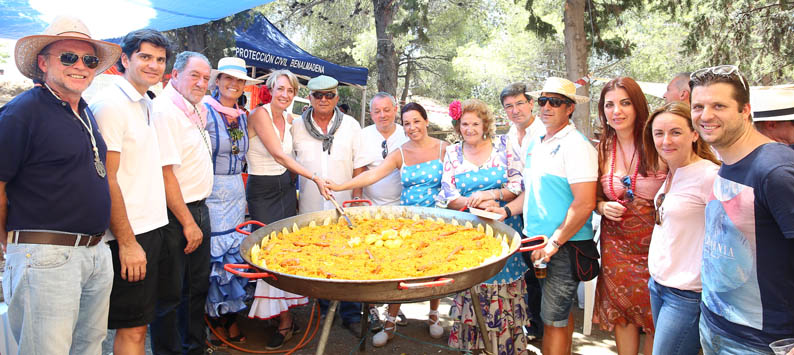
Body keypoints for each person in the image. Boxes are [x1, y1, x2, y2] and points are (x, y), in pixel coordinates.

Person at [0, 16, 121, 354]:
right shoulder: (22, 113)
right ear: (43, 62)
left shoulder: (83, 110)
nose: (80, 66)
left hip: (95, 252)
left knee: (89, 347)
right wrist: (10, 245)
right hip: (46, 255)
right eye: (68, 57)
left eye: (89, 60)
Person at [689, 65, 794, 354]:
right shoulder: (729, 160)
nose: (706, 115)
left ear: (745, 110)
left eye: (719, 105)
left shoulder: (776, 169)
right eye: (698, 106)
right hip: (715, 325)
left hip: (761, 341)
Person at [326, 102, 448, 347]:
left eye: (416, 121)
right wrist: (340, 186)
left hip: (437, 218)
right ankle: (390, 321)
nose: (412, 127)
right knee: (401, 267)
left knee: (437, 267)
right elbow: (372, 174)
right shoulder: (400, 152)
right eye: (407, 123)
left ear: (426, 121)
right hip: (407, 220)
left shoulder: (444, 148)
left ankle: (434, 316)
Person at [492, 77, 598, 355]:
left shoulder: (577, 145)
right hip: (537, 242)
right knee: (557, 316)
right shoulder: (537, 142)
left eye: (556, 102)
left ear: (570, 108)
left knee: (552, 320)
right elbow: (531, 191)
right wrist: (505, 210)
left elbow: (585, 203)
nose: (548, 107)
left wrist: (554, 244)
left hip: (561, 246)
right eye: (543, 101)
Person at [89, 28, 172, 355]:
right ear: (125, 59)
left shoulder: (146, 102)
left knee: (140, 326)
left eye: (160, 59)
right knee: (131, 329)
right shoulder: (110, 104)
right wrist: (126, 242)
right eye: (145, 57)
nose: (154, 65)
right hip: (128, 235)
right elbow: (106, 179)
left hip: (152, 229)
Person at [436, 99, 528, 355]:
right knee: (472, 290)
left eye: (475, 123)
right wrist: (471, 202)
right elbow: (447, 195)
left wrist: (493, 195)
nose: (470, 128)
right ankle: (474, 349)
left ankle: (505, 348)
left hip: (504, 230)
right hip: (468, 235)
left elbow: (518, 184)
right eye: (464, 124)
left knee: (502, 291)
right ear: (458, 126)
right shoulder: (453, 153)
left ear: (485, 124)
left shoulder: (503, 146)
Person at [245, 69, 328, 349]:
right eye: (280, 89)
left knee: (285, 249)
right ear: (271, 89)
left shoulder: (290, 119)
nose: (284, 94)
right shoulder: (260, 114)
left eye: (290, 90)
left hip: (284, 188)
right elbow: (279, 154)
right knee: (266, 253)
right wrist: (314, 178)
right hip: (262, 189)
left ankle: (284, 316)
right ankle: (282, 320)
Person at [290, 75, 368, 335]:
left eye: (329, 95)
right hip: (311, 206)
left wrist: (356, 198)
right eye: (317, 95)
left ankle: (351, 314)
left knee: (351, 258)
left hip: (344, 205)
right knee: (318, 256)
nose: (324, 100)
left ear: (337, 97)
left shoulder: (351, 126)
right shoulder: (296, 126)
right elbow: (290, 164)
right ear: (309, 98)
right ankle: (323, 310)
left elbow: (360, 165)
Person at [643, 102, 720, 355]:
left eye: (675, 132)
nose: (666, 141)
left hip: (687, 294)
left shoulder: (710, 176)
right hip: (658, 285)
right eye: (659, 133)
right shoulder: (672, 172)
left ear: (695, 133)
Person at [150, 51, 214, 355]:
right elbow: (165, 175)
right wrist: (188, 222)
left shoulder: (194, 108)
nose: (201, 83)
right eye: (195, 75)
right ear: (174, 75)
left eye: (205, 77)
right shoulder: (165, 111)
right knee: (170, 295)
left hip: (199, 208)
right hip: (177, 215)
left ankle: (193, 347)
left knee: (196, 289)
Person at [593, 77, 661, 355]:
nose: (616, 111)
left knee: (657, 314)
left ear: (638, 106)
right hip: (616, 244)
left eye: (625, 103)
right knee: (622, 313)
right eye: (609, 105)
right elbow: (594, 195)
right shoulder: (602, 148)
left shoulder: (658, 140)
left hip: (657, 243)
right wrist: (600, 206)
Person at [200, 56, 263, 345]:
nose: (234, 84)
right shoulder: (203, 111)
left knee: (235, 258)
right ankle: (213, 322)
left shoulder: (242, 115)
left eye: (239, 80)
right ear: (218, 81)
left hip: (237, 192)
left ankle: (230, 318)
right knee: (215, 261)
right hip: (211, 191)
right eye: (229, 79)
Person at [500, 81, 546, 339]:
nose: (515, 110)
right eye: (509, 106)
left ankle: (541, 328)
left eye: (519, 103)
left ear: (531, 103)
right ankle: (529, 324)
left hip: (538, 212)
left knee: (540, 275)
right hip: (518, 212)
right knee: (526, 272)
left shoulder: (543, 132)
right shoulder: (508, 134)